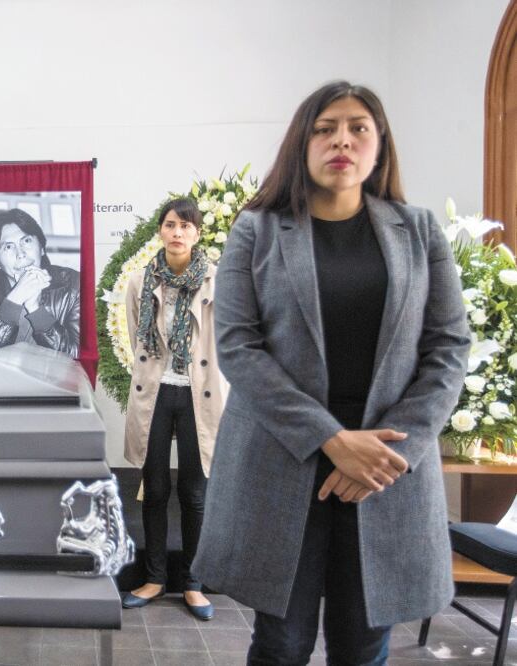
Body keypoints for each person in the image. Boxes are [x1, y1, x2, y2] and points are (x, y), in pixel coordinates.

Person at [192, 81, 470, 665]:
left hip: (385, 469)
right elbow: (239, 346)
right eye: (325, 128)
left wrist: (393, 450)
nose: (341, 139)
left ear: (379, 145)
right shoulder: (258, 229)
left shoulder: (418, 231)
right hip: (284, 462)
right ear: (303, 142)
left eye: (358, 127)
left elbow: (448, 348)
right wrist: (331, 440)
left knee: (364, 645)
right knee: (281, 644)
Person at [119, 198, 226, 621]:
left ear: (197, 234)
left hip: (202, 394)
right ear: (160, 231)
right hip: (157, 391)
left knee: (195, 493)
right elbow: (136, 337)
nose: (177, 232)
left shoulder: (218, 282)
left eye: (186, 225)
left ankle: (194, 583)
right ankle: (154, 578)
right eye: (170, 224)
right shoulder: (140, 282)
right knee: (155, 488)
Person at [0, 208, 80, 356]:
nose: (20, 254)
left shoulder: (72, 285)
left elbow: (77, 356)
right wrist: (14, 300)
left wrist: (35, 309)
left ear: (42, 248)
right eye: (8, 247)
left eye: (26, 241)